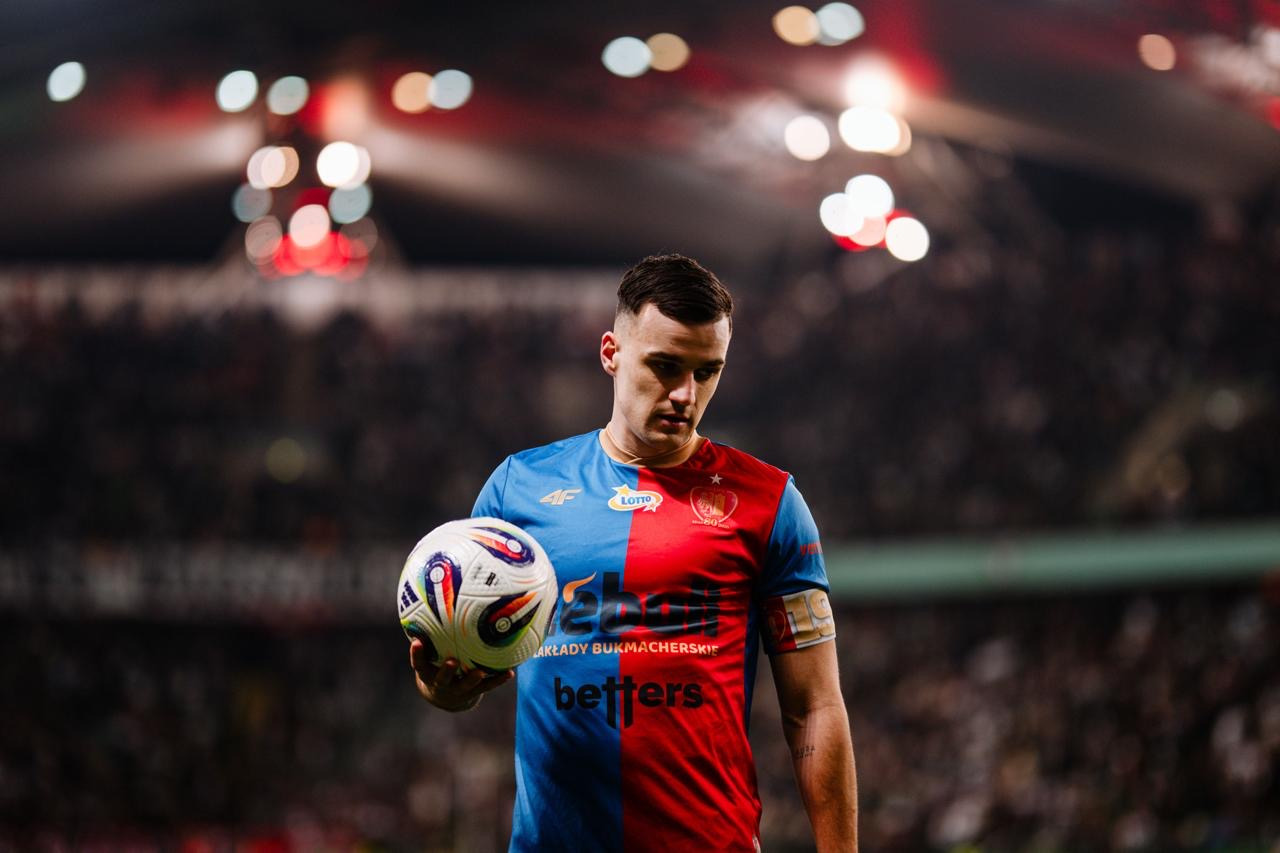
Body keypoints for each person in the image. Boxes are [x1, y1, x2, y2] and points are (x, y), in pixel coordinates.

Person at [409, 254, 858, 851]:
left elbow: (815, 708)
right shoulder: (517, 488)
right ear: (611, 353)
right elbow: (464, 667)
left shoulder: (770, 502)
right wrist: (446, 690)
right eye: (665, 366)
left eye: (707, 372)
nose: (685, 394)